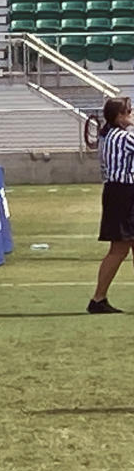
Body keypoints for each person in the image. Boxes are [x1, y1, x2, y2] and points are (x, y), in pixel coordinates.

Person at [87, 96, 134, 313]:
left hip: (118, 192)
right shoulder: (123, 137)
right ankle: (98, 298)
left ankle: (99, 298)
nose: (131, 114)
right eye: (128, 111)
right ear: (119, 116)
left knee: (124, 247)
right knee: (119, 248)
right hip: (123, 193)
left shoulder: (108, 135)